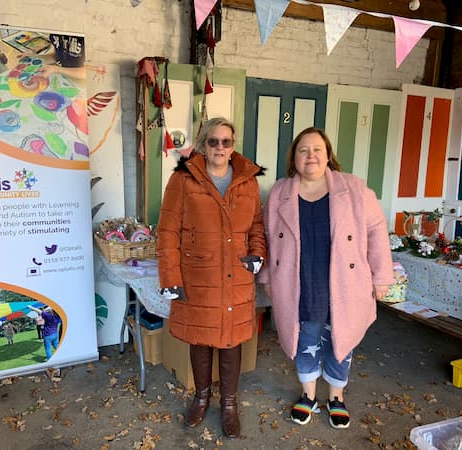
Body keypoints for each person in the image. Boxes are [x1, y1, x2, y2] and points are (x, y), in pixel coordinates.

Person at [258, 127, 393, 429]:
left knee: (339, 338)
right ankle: (308, 396)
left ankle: (336, 397)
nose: (311, 156)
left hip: (345, 282)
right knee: (305, 337)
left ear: (329, 155)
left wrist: (382, 276)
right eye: (303, 150)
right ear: (294, 158)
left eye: (317, 149)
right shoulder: (280, 192)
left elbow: (376, 230)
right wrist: (266, 274)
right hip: (299, 280)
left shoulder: (354, 189)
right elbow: (266, 237)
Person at [157, 117, 267, 438]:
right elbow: (167, 232)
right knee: (200, 338)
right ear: (204, 144)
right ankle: (202, 397)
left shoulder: (248, 181)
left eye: (226, 142)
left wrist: (257, 254)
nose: (220, 147)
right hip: (198, 276)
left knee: (232, 340)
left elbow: (257, 225)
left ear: (233, 147)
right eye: (213, 141)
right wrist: (170, 278)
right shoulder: (183, 179)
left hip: (237, 274)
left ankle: (229, 405)